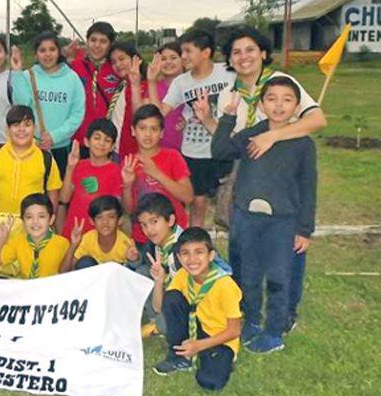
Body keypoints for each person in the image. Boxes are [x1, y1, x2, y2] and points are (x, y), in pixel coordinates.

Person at [207, 26, 327, 333]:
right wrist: (220, 121)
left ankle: (285, 311)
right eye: (236, 52)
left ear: (262, 53)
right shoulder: (228, 94)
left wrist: (272, 135)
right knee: (242, 250)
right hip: (248, 179)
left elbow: (316, 119)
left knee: (287, 255)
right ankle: (245, 310)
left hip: (283, 182)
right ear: (230, 59)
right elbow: (227, 145)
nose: (243, 57)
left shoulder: (279, 84)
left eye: (250, 49)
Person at [211, 78, 316, 354]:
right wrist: (228, 117)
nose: (279, 105)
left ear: (296, 106)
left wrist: (304, 230)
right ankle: (253, 322)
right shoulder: (251, 135)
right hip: (247, 219)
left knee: (279, 277)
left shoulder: (303, 144)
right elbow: (220, 151)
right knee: (249, 275)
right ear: (261, 104)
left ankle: (274, 331)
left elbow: (308, 188)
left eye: (287, 99)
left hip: (283, 222)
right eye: (272, 98)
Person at [148, 28, 234, 228]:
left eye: (188, 51)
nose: (183, 56)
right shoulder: (181, 82)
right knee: (198, 203)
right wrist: (152, 82)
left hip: (225, 149)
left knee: (230, 204)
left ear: (205, 53)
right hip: (195, 153)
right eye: (182, 51)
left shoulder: (228, 73)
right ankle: (196, 242)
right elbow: (159, 112)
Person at [148, 227, 242, 391]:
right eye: (185, 253)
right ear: (178, 257)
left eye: (199, 252)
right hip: (198, 328)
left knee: (209, 381)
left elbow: (234, 330)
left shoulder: (225, 285)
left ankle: (211, 356)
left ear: (211, 255)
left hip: (220, 337)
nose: (192, 259)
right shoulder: (183, 275)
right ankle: (180, 356)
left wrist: (198, 346)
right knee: (172, 298)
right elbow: (158, 307)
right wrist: (159, 281)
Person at [11, 32, 86, 175]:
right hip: (32, 147)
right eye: (42, 50)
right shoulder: (28, 75)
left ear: (59, 52)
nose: (47, 54)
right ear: (36, 54)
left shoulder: (72, 78)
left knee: (57, 193)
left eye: (52, 49)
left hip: (61, 149)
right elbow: (22, 106)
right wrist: (16, 72)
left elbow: (77, 114)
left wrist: (54, 136)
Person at [121, 105, 193, 250]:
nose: (148, 134)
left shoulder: (173, 156)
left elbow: (188, 197)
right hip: (143, 237)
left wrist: (157, 173)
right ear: (133, 131)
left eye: (153, 129)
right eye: (142, 128)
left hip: (174, 235)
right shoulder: (128, 162)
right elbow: (129, 211)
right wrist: (127, 185)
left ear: (161, 133)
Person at [0, 105, 62, 214]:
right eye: (16, 125)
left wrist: (48, 220)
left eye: (27, 125)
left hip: (31, 226)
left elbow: (53, 195)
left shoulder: (46, 159)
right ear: (7, 129)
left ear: (34, 128)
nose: (21, 129)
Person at [58, 118, 122, 237]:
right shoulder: (78, 165)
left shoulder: (116, 171)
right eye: (97, 138)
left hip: (98, 236)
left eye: (107, 140)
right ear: (86, 141)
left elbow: (117, 209)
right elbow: (64, 198)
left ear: (113, 146)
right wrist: (70, 167)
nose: (101, 143)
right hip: (73, 230)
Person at [135, 192, 185, 337]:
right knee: (142, 272)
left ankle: (160, 324)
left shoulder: (182, 249)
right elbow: (145, 264)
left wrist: (160, 282)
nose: (149, 230)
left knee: (165, 325)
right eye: (144, 225)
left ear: (170, 220)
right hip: (167, 292)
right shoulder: (157, 242)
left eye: (154, 222)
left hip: (186, 302)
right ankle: (155, 321)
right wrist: (135, 258)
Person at [0, 193, 72, 279]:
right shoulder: (18, 242)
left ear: (51, 220)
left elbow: (67, 272)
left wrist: (73, 246)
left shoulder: (62, 243)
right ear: (23, 221)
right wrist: (1, 239)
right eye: (29, 217)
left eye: (41, 216)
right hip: (27, 289)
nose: (35, 221)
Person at [69, 22, 123, 152]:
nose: (97, 45)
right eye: (93, 40)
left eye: (103, 41)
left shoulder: (117, 69)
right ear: (87, 41)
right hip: (79, 138)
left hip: (106, 141)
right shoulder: (74, 67)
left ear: (110, 44)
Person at [65, 195, 136, 271]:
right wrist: (73, 245)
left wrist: (135, 259)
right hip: (93, 280)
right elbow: (65, 271)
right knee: (85, 263)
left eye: (111, 217)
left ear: (119, 220)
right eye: (99, 217)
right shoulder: (88, 239)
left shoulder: (126, 244)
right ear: (92, 221)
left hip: (115, 281)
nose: (105, 222)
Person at [107, 42, 150, 158]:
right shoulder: (122, 85)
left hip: (132, 152)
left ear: (135, 59)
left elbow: (141, 116)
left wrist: (135, 84)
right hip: (115, 149)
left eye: (122, 59)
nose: (118, 64)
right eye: (113, 62)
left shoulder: (145, 86)